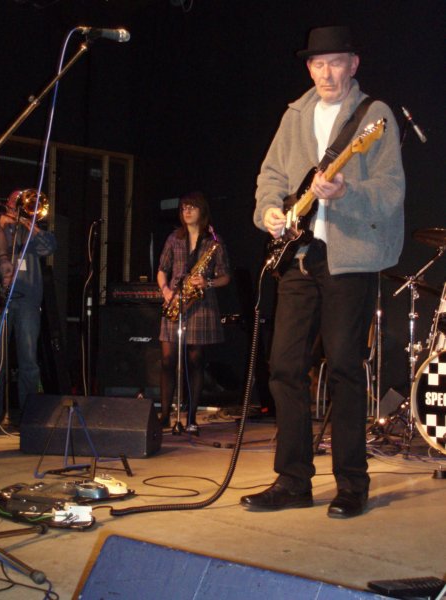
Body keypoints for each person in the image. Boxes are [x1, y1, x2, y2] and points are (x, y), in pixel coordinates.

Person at [241, 26, 405, 517]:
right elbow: (270, 175)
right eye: (317, 63)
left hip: (350, 259)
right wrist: (270, 211)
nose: (326, 72)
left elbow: (391, 190)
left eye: (335, 62)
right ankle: (293, 480)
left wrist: (347, 192)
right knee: (284, 367)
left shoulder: (373, 116)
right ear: (308, 67)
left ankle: (352, 483)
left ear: (353, 64)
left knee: (345, 369)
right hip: (299, 257)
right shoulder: (295, 114)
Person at [157, 191, 230, 435]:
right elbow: (162, 270)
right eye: (183, 208)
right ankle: (164, 415)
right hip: (175, 300)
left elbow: (225, 277)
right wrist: (166, 291)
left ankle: (191, 418)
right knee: (167, 360)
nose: (186, 211)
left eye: (192, 207)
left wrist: (207, 282)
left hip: (201, 304)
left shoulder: (213, 242)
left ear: (202, 211)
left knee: (195, 361)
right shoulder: (174, 239)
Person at [0, 189, 57, 423]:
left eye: (22, 203)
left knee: (29, 361)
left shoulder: (30, 231)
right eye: (15, 202)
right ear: (7, 204)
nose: (19, 206)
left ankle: (28, 418)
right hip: (1, 300)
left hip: (28, 301)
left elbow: (49, 247)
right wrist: (1, 225)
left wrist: (27, 222)